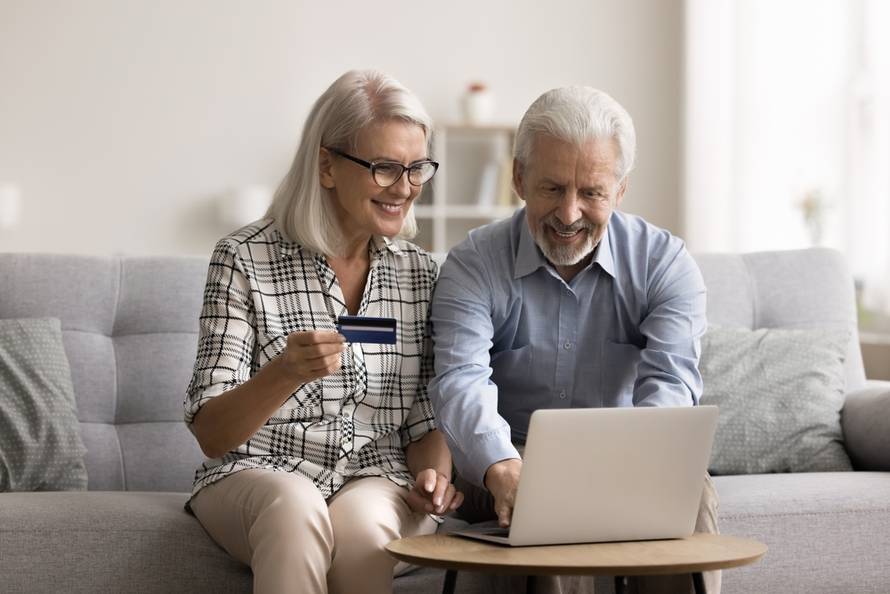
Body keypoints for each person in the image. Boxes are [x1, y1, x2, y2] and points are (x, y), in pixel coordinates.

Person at [428, 86, 719, 594]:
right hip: (501, 459)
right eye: (552, 188)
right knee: (548, 497)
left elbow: (671, 386)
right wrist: (502, 466)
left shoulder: (664, 263)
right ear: (518, 178)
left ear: (621, 191)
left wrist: (633, 469)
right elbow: (460, 380)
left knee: (689, 489)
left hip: (627, 453)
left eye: (592, 193)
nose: (568, 214)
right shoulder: (473, 263)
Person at [183, 69, 462, 594]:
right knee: (295, 509)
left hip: (375, 478)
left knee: (364, 531)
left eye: (416, 168)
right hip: (258, 473)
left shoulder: (422, 273)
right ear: (327, 165)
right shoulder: (243, 258)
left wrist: (434, 477)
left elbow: (426, 424)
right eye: (383, 168)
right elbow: (212, 434)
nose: (404, 188)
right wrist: (285, 372)